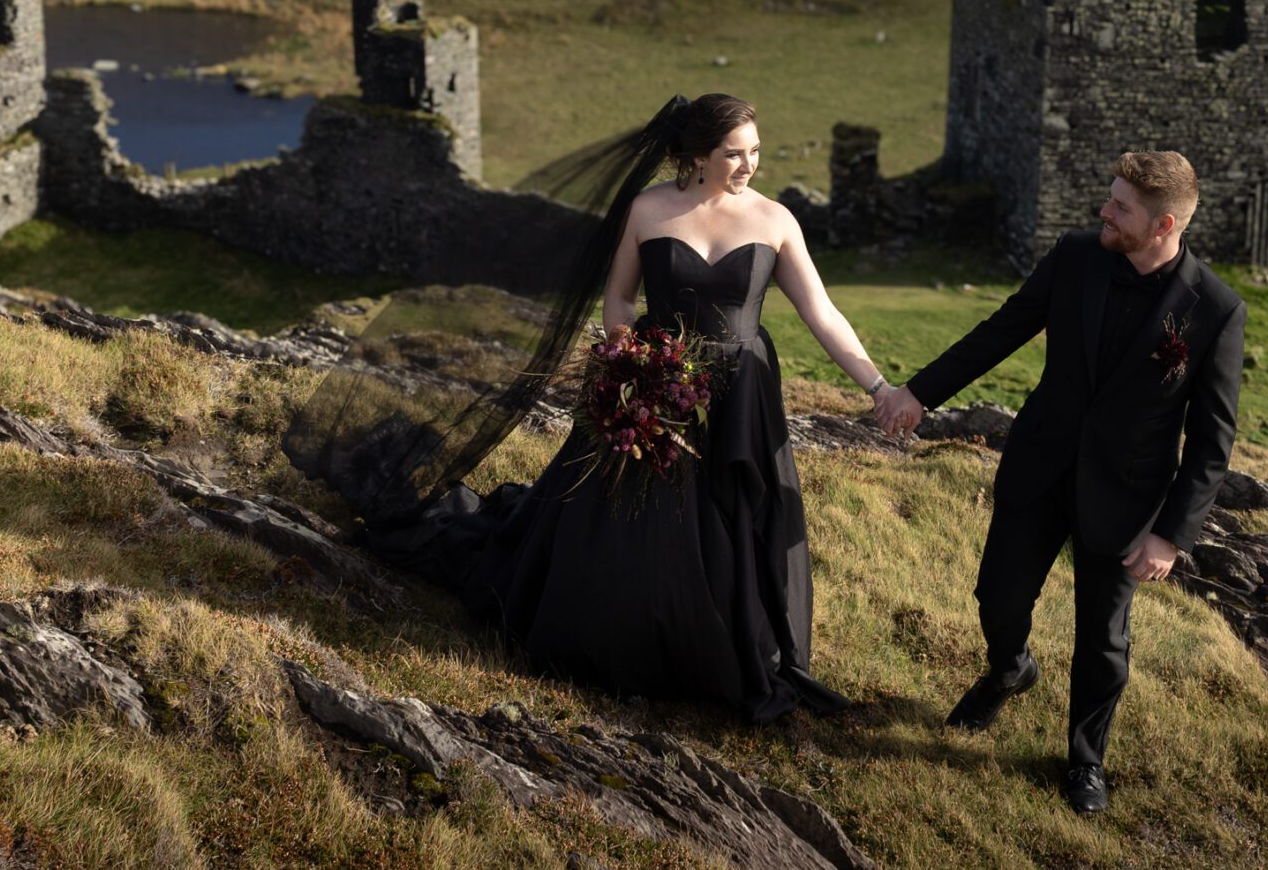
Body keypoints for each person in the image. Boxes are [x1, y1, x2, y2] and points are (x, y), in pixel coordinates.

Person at [300, 92, 900, 723]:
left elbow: (821, 313)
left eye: (755, 150)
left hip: (742, 397)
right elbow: (619, 298)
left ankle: (730, 641)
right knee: (641, 522)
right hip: (656, 388)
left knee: (735, 521)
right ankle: (635, 636)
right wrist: (633, 367)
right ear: (695, 156)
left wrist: (879, 388)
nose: (750, 164)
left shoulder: (776, 220)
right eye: (734, 153)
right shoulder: (647, 210)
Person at [873, 151, 1246, 815]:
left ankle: (1084, 760)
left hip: (1128, 494)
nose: (1104, 211)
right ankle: (1010, 669)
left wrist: (1170, 535)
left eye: (1120, 207)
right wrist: (918, 394)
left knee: (1102, 640)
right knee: (998, 597)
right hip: (1039, 466)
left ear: (1163, 225)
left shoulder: (1214, 309)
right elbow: (1002, 331)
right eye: (1110, 199)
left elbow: (1212, 442)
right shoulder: (1076, 257)